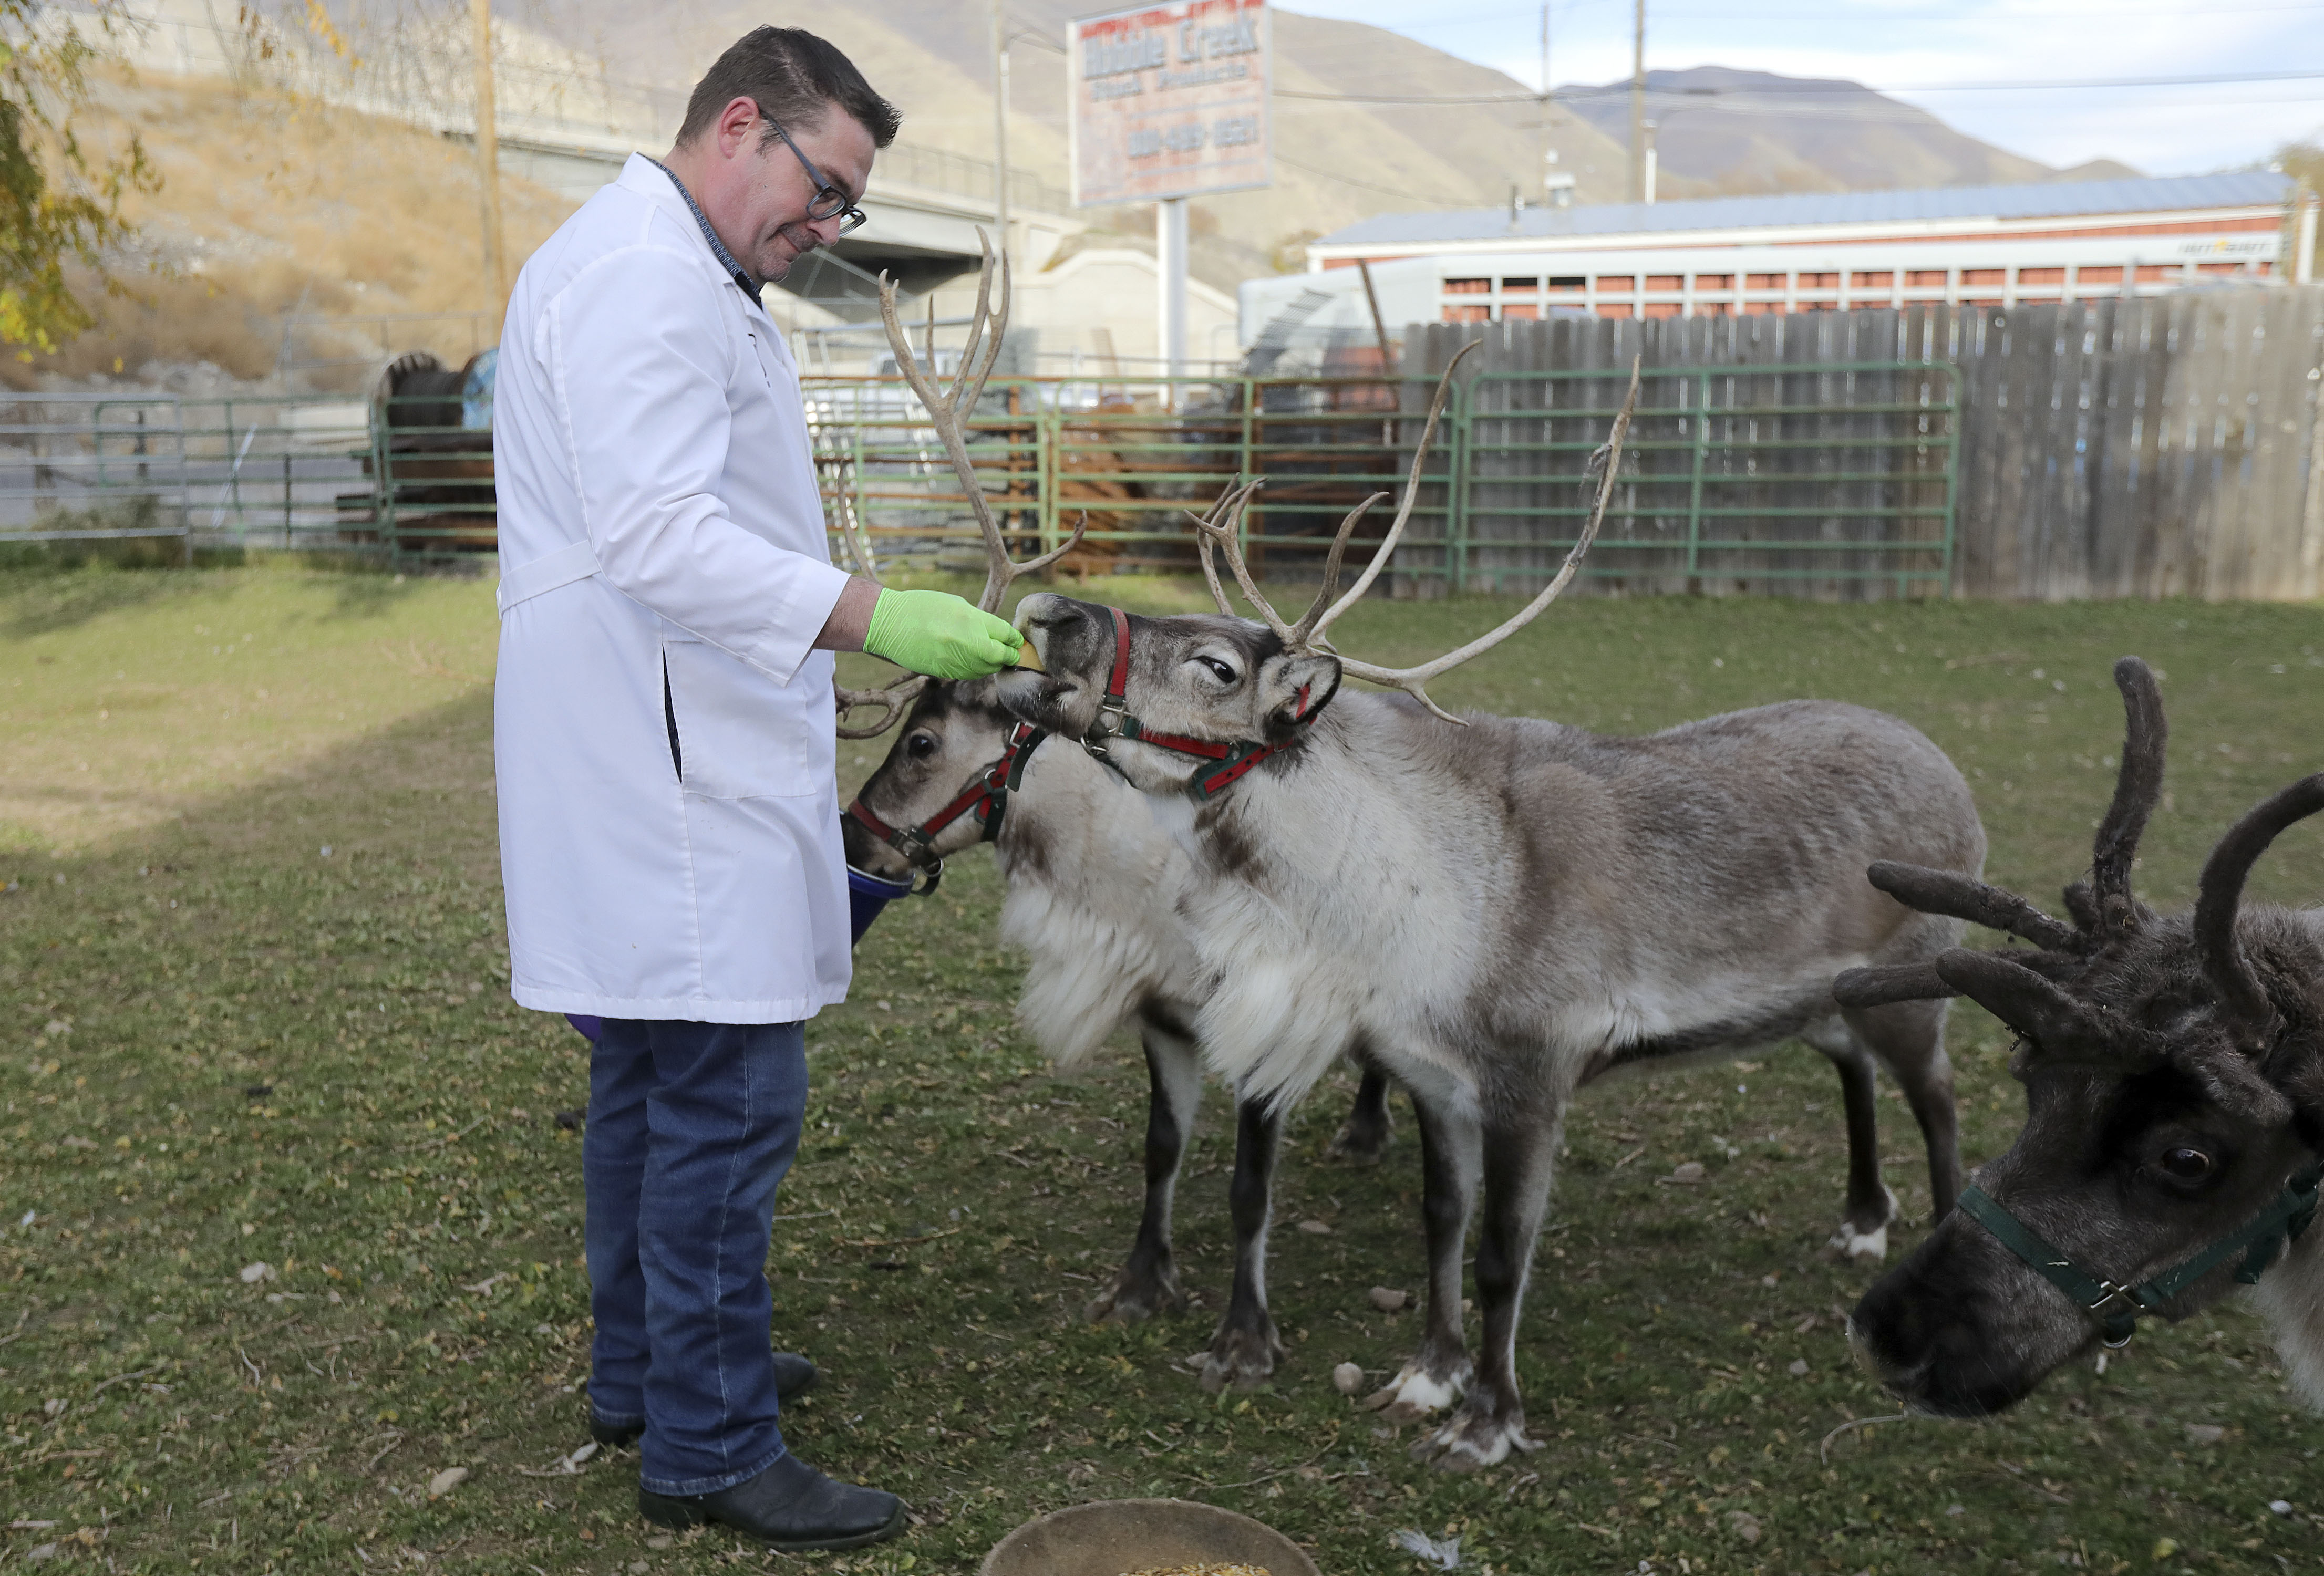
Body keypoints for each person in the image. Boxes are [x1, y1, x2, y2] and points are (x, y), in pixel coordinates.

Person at [490, 27, 1020, 1554]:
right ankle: (710, 1444)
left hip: (652, 742)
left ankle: (651, 1370)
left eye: (847, 206)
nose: (831, 228)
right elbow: (657, 536)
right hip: (668, 765)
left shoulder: (646, 264)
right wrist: (875, 612)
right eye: (827, 189)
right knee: (728, 1097)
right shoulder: (648, 280)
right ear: (741, 126)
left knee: (652, 1084)